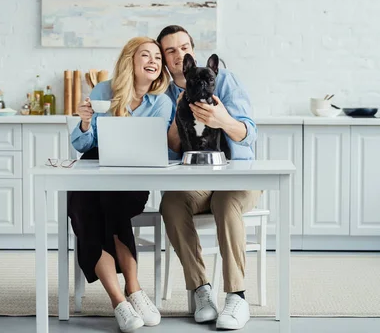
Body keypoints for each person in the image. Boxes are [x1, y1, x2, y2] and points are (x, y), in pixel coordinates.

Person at [157, 25, 259, 330]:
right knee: (171, 204)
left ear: (193, 50)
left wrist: (223, 119)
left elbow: (248, 134)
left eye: (184, 46)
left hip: (237, 177)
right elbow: (171, 146)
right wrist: (179, 112)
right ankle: (201, 291)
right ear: (164, 58)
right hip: (195, 180)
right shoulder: (162, 93)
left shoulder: (224, 80)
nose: (179, 54)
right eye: (171, 50)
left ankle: (236, 297)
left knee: (226, 205)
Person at [69, 37, 172, 332]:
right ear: (131, 60)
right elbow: (83, 145)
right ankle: (122, 301)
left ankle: (135, 288)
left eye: (157, 57)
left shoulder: (161, 103)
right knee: (84, 209)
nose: (154, 61)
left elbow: (157, 148)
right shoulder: (104, 91)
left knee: (110, 203)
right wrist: (86, 122)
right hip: (96, 167)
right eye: (146, 55)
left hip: (135, 176)